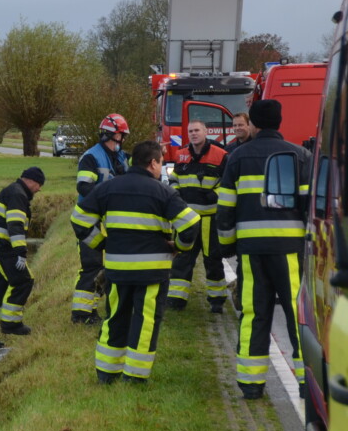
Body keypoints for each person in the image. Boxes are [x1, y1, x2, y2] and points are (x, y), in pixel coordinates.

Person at [71, 140, 200, 384]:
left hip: (118, 268)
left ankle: (106, 373)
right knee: (145, 320)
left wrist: (102, 244)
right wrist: (179, 247)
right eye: (161, 163)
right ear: (153, 163)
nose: (161, 168)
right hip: (152, 272)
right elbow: (191, 223)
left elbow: (79, 219)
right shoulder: (163, 191)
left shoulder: (108, 188)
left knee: (115, 317)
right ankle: (135, 377)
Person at [216, 99, 311, 399]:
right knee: (298, 315)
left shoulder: (237, 157)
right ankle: (306, 383)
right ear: (280, 122)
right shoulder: (300, 156)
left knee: (254, 313)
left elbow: (225, 207)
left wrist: (227, 245)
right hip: (289, 250)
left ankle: (251, 384)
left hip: (251, 251)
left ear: (254, 124)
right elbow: (310, 208)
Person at [0, 167, 45, 350]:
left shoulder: (15, 191)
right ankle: (11, 324)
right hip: (0, 244)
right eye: (39, 185)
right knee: (24, 280)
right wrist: (21, 251)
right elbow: (15, 224)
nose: (39, 189)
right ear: (31, 181)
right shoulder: (18, 194)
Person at [70, 113, 130, 324]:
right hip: (87, 221)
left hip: (108, 219)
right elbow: (84, 187)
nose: (124, 139)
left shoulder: (120, 156)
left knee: (111, 265)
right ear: (116, 135)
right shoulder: (91, 157)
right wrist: (109, 196)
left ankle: (94, 309)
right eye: (123, 135)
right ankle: (81, 315)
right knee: (92, 265)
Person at [167, 119, 230, 313]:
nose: (194, 134)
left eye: (197, 130)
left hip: (210, 218)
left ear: (205, 132)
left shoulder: (221, 155)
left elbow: (228, 182)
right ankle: (176, 299)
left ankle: (217, 301)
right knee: (182, 258)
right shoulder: (181, 155)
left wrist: (215, 194)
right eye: (191, 131)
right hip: (187, 219)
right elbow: (173, 179)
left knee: (213, 260)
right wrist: (177, 195)